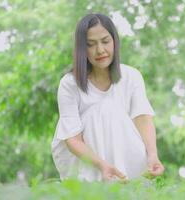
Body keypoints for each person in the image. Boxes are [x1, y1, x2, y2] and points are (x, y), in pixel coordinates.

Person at [51, 13, 165, 182]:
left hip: (125, 152)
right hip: (85, 161)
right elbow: (72, 139)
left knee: (111, 109)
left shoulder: (131, 76)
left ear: (114, 42)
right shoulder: (69, 84)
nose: (100, 50)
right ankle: (99, 181)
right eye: (91, 44)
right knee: (104, 109)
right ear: (82, 49)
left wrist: (153, 155)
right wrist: (102, 165)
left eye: (105, 41)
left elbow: (143, 119)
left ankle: (126, 178)